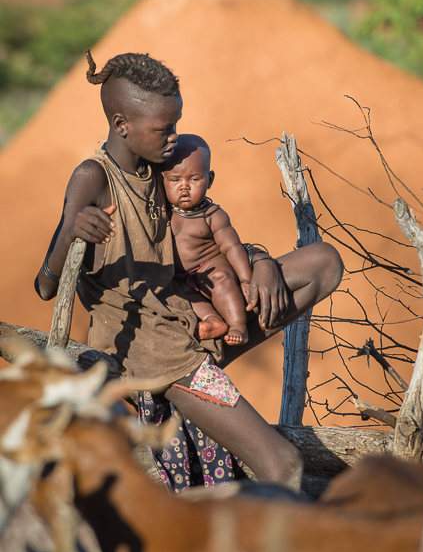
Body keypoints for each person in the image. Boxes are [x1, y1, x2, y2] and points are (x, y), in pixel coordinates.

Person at [35, 49, 343, 493]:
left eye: (176, 125)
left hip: (197, 316)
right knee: (282, 463)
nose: (173, 137)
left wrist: (259, 263)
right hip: (153, 352)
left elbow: (209, 235)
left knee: (323, 264)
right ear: (122, 125)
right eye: (165, 128)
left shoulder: (162, 171)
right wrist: (72, 234)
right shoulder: (93, 177)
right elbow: (45, 286)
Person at [162, 133, 252, 346]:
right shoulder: (161, 212)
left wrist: (246, 280)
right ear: (162, 181)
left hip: (208, 268)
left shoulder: (212, 215)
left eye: (194, 179)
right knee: (179, 296)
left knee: (222, 281)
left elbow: (232, 247)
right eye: (175, 180)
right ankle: (213, 322)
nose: (184, 186)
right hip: (178, 276)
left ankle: (239, 324)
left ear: (209, 179)